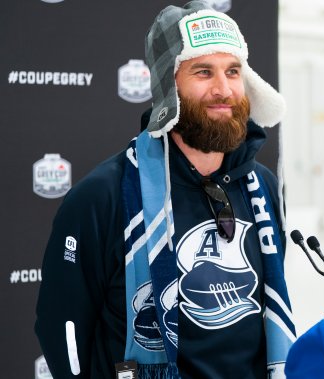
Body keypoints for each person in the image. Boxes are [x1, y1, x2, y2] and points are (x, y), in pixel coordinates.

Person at [35, 2, 295, 378]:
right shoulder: (105, 195)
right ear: (167, 87)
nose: (223, 89)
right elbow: (62, 330)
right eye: (203, 72)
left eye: (233, 71)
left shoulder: (262, 185)